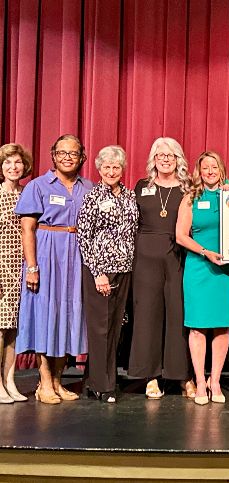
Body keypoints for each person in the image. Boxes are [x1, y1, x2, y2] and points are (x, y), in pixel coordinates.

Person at [15, 134, 94, 404]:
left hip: (77, 255)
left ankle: (59, 381)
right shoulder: (38, 186)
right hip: (47, 254)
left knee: (69, 316)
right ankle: (44, 382)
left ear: (82, 157)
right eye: (62, 153)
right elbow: (27, 228)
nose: (68, 157)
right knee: (46, 315)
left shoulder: (90, 187)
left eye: (73, 153)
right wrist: (32, 266)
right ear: (53, 155)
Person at [129, 137, 195, 400]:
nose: (165, 159)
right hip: (144, 257)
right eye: (160, 155)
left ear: (178, 159)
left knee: (178, 315)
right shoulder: (141, 186)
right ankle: (151, 376)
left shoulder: (188, 188)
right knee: (147, 316)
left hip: (177, 255)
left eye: (171, 155)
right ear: (153, 159)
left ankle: (181, 376)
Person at [77, 146, 138, 403]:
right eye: (106, 167)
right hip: (100, 269)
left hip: (124, 268)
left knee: (114, 327)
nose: (111, 171)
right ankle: (105, 386)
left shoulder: (129, 196)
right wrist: (97, 272)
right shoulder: (92, 197)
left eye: (116, 167)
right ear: (99, 169)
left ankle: (94, 380)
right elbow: (84, 236)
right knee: (100, 327)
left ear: (122, 169)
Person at [176, 151, 229, 405]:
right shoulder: (191, 198)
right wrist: (205, 252)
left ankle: (216, 381)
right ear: (198, 172)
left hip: (226, 271)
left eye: (215, 166)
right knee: (198, 327)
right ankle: (200, 382)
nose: (210, 171)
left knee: (222, 326)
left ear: (221, 169)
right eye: (205, 167)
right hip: (199, 268)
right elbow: (181, 236)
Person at [0, 144, 33, 404]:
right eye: (8, 163)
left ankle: (9, 380)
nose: (14, 167)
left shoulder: (27, 194)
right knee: (0, 328)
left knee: (13, 329)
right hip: (1, 267)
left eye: (18, 163)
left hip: (21, 267)